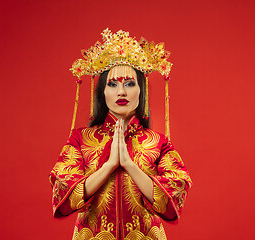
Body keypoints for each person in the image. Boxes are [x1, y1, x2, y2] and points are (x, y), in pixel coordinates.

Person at [49, 29, 192, 240]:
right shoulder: (81, 139)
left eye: (130, 84)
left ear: (141, 90)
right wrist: (109, 166)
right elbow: (63, 188)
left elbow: (174, 194)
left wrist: (129, 164)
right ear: (102, 92)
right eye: (113, 84)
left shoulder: (158, 143)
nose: (121, 92)